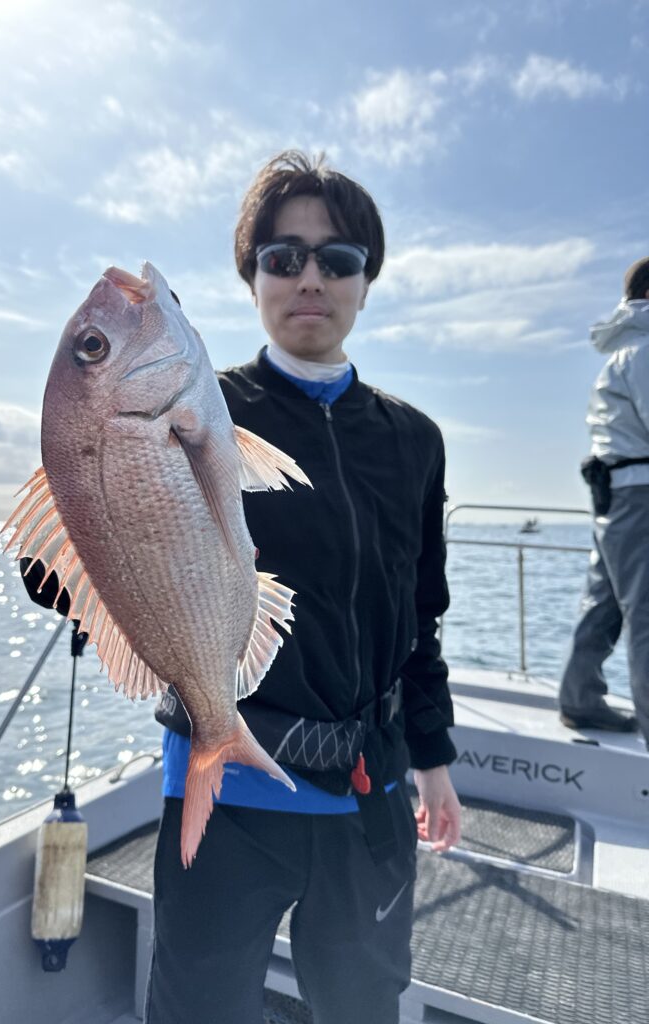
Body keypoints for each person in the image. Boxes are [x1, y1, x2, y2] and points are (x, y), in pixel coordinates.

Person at [146, 151, 461, 1024]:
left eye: (337, 259)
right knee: (197, 1008)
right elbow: (71, 569)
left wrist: (433, 759)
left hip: (369, 785)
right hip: (224, 789)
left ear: (366, 279)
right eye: (283, 258)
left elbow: (421, 617)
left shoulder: (414, 440)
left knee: (362, 1005)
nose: (310, 278)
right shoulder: (192, 415)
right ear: (252, 279)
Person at [559, 256, 649, 740]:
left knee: (606, 601)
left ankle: (581, 700)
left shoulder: (627, 349)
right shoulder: (645, 350)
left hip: (617, 493)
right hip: (640, 493)